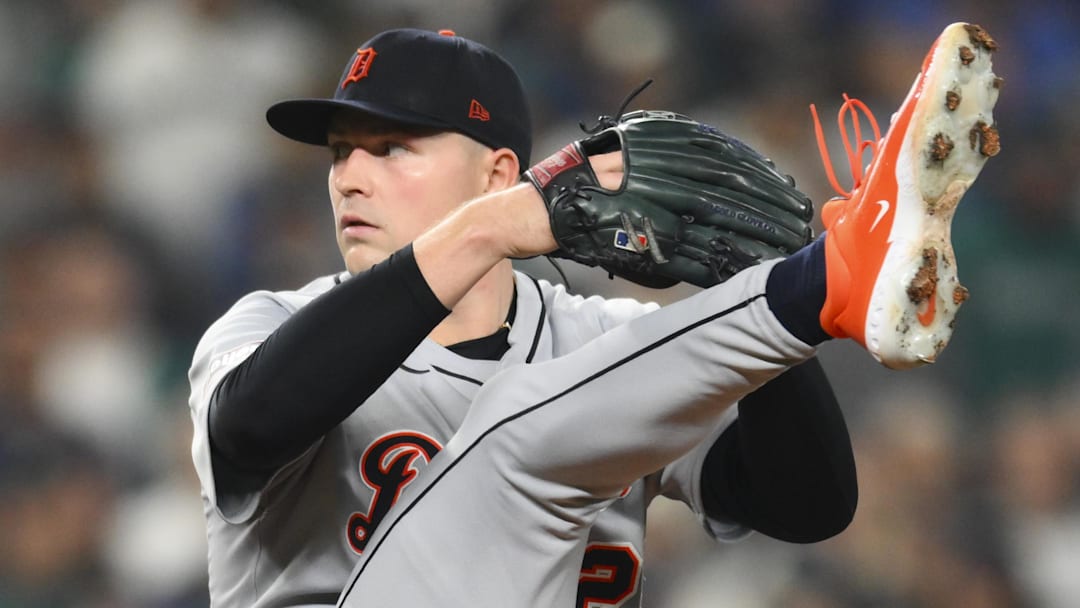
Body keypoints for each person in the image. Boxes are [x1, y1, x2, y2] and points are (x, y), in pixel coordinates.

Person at [188, 24, 998, 607]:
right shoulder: (265, 325)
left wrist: (749, 282)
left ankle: (819, 282)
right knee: (515, 430)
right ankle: (824, 280)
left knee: (537, 411)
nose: (348, 179)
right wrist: (488, 230)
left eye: (391, 148)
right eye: (340, 151)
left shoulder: (609, 344)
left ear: (497, 169)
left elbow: (808, 506)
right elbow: (253, 427)